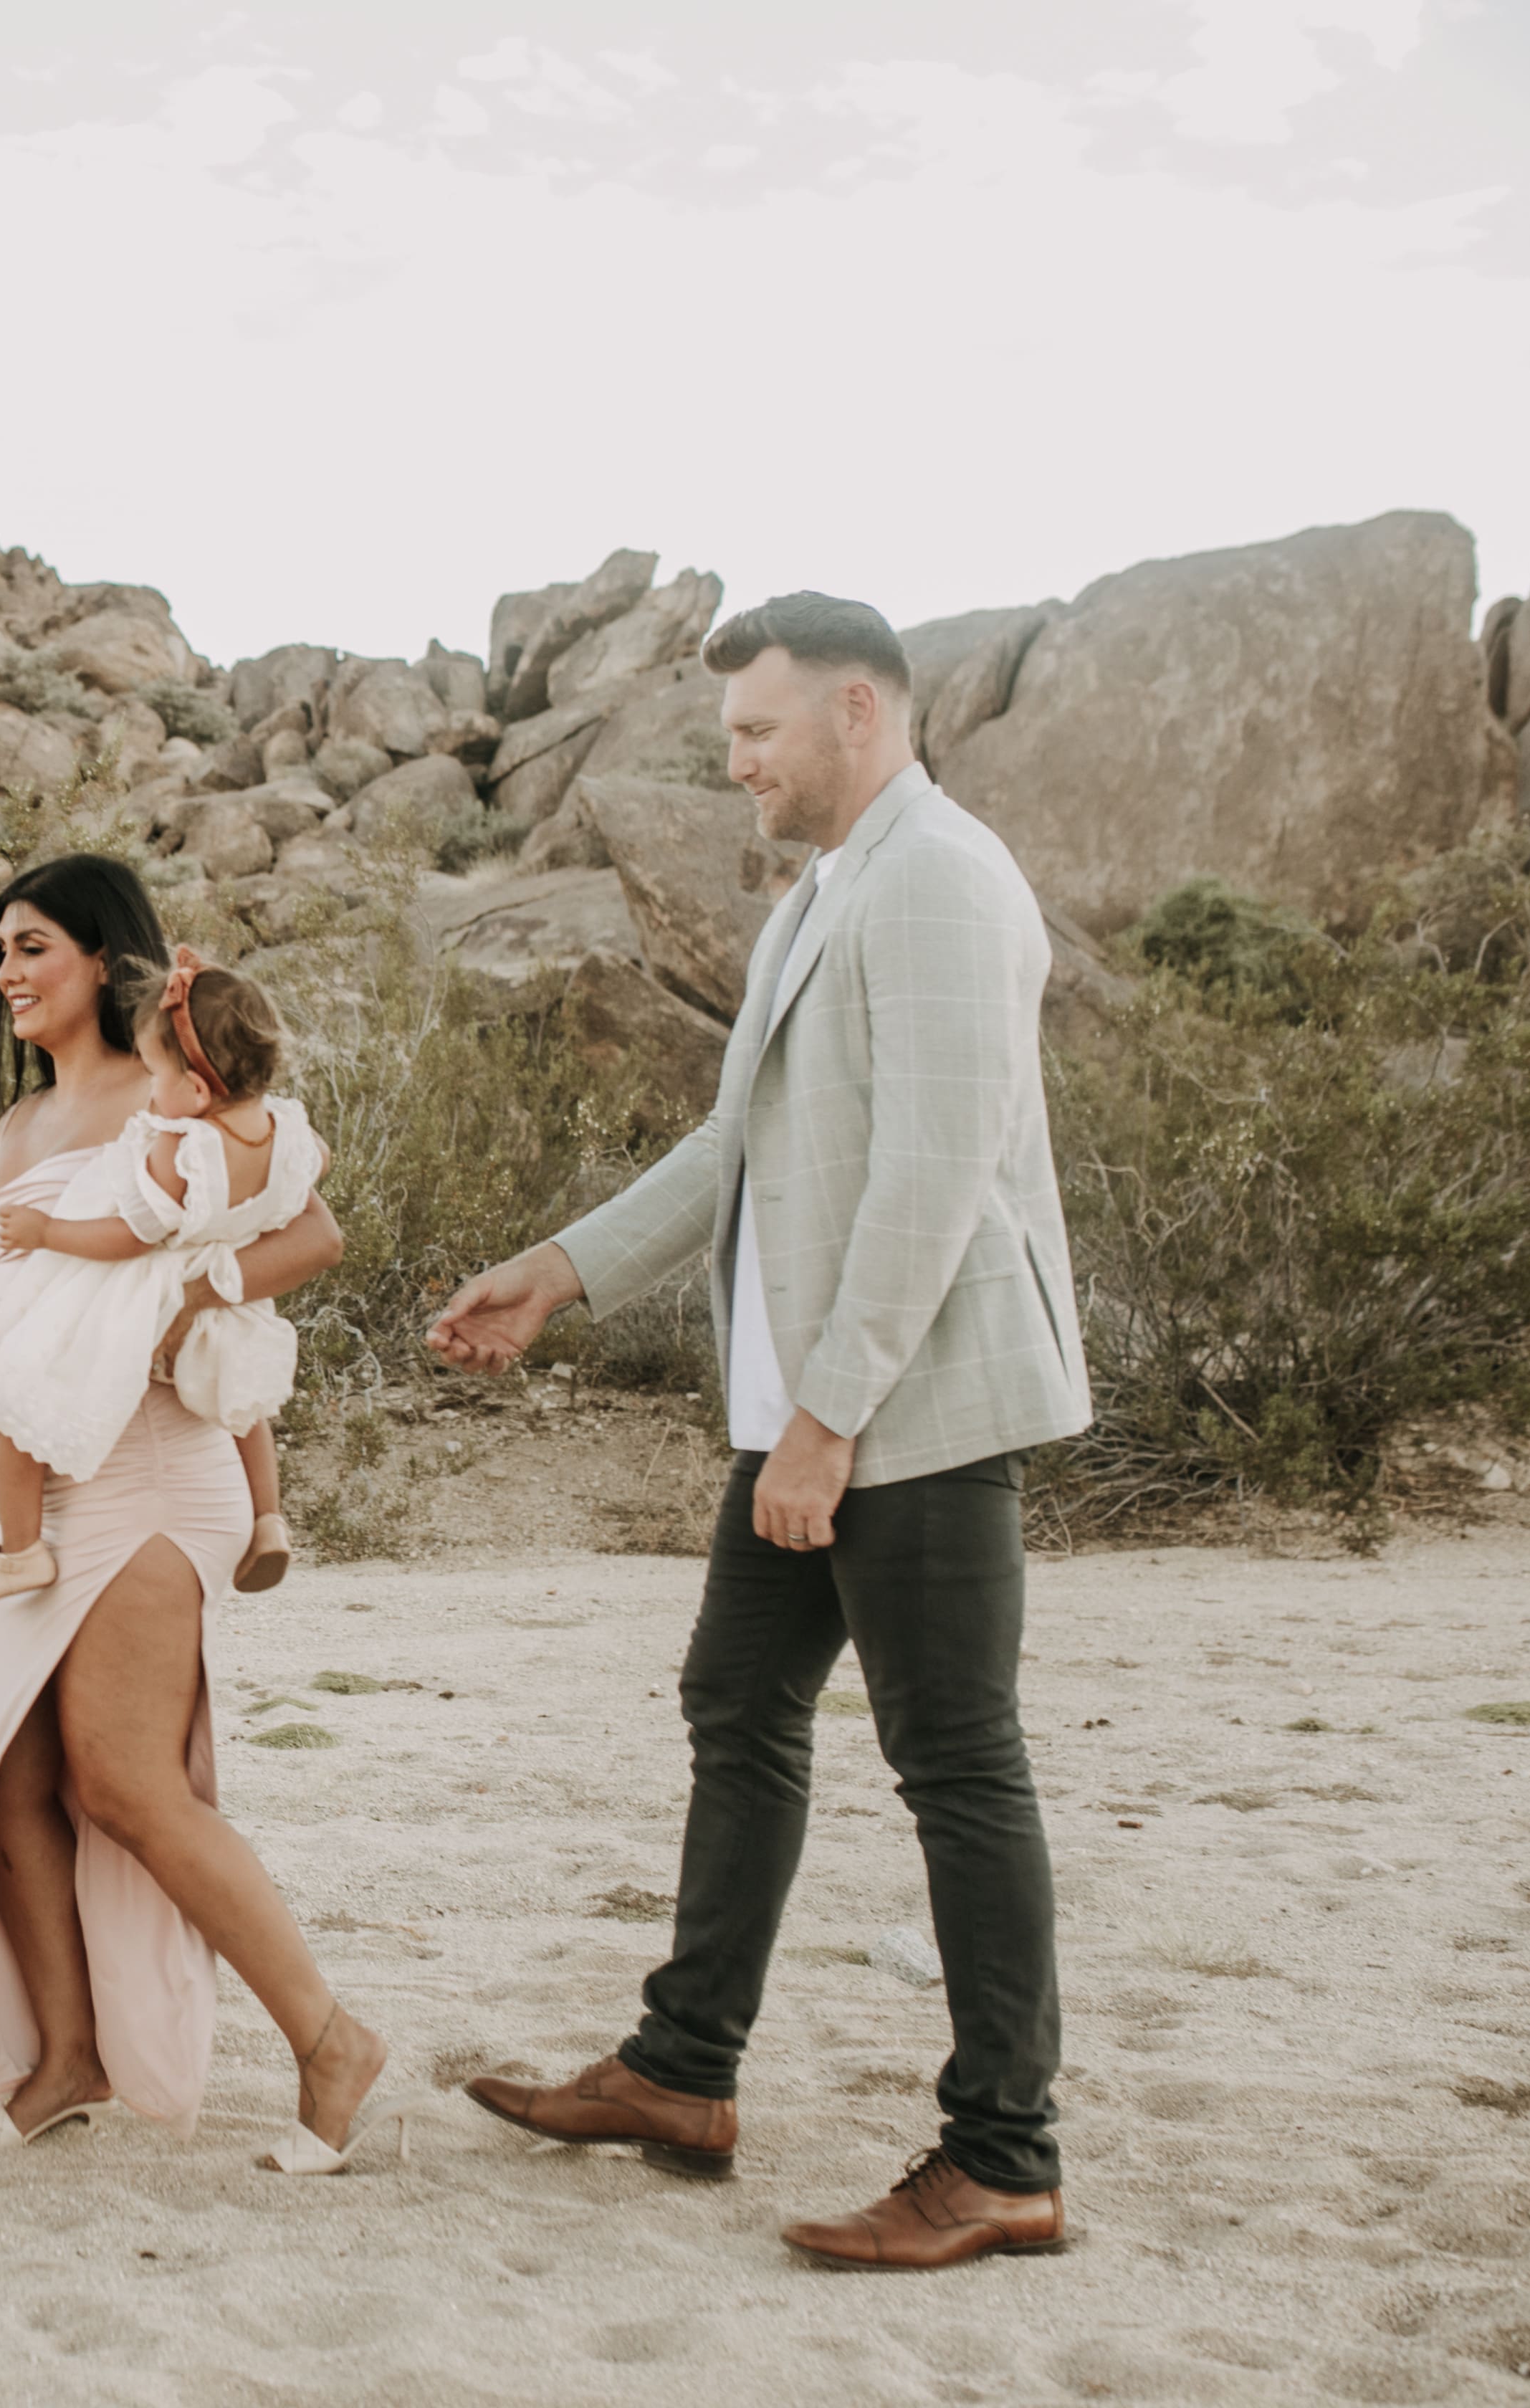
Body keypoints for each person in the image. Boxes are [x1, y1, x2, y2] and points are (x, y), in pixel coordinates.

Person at [428, 593, 1092, 2268]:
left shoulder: (939, 878)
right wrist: (558, 1274)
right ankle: (682, 2071)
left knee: (956, 1763)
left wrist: (829, 1423)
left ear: (859, 711)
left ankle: (1005, 2156)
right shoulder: (828, 891)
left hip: (900, 1412)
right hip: (809, 1410)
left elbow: (936, 1178)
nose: (735, 766)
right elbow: (735, 1144)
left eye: (757, 733)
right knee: (739, 1700)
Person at [0, 854, 387, 2174]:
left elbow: (315, 1237)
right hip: (45, 1492)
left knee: (125, 1783)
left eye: (32, 948)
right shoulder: (19, 1133)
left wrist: (187, 1304)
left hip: (143, 1476)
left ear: (99, 956)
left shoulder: (174, 1096)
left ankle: (328, 2039)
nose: (9, 975)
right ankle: (69, 2058)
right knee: (13, 1785)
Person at [0, 946, 324, 1604]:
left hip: (152, 1293)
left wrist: (47, 1232)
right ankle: (268, 1520)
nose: (149, 1091)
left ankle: (20, 1551)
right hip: (228, 1305)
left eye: (155, 1074)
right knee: (242, 1407)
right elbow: (309, 1179)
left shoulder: (181, 1151)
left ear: (194, 1090)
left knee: (17, 1395)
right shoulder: (289, 1134)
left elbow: (130, 1236)